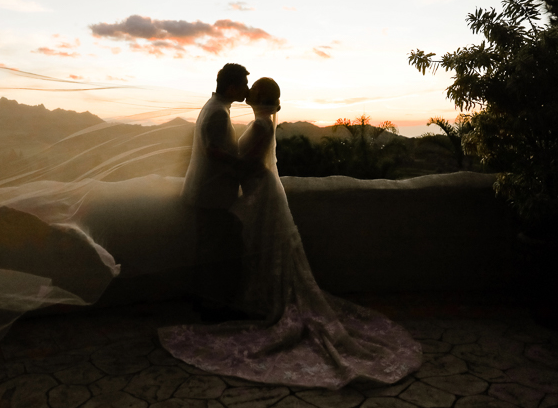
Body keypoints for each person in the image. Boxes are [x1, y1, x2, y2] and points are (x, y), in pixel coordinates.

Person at [158, 77, 422, 389]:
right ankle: (249, 301)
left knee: (263, 245)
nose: (248, 92)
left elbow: (248, 164)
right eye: (246, 86)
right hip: (256, 190)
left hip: (260, 190)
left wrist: (228, 166)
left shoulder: (260, 126)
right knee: (258, 246)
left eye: (253, 89)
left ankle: (257, 302)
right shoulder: (257, 123)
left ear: (259, 97)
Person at [181, 63, 250, 319]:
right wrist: (244, 165)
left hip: (205, 192)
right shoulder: (219, 112)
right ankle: (212, 308)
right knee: (215, 252)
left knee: (208, 250)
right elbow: (214, 151)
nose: (247, 90)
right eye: (244, 85)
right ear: (232, 88)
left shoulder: (213, 106)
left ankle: (205, 304)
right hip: (212, 194)